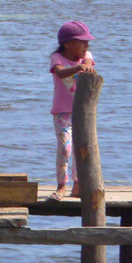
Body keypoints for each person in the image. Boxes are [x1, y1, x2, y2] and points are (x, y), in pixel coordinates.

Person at [49, 20, 97, 200]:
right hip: (62, 112)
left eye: (88, 42)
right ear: (68, 43)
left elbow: (89, 60)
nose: (87, 45)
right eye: (82, 41)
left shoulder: (86, 56)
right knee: (65, 148)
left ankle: (78, 185)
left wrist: (86, 63)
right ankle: (62, 185)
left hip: (83, 113)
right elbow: (61, 73)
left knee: (81, 148)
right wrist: (79, 67)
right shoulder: (57, 58)